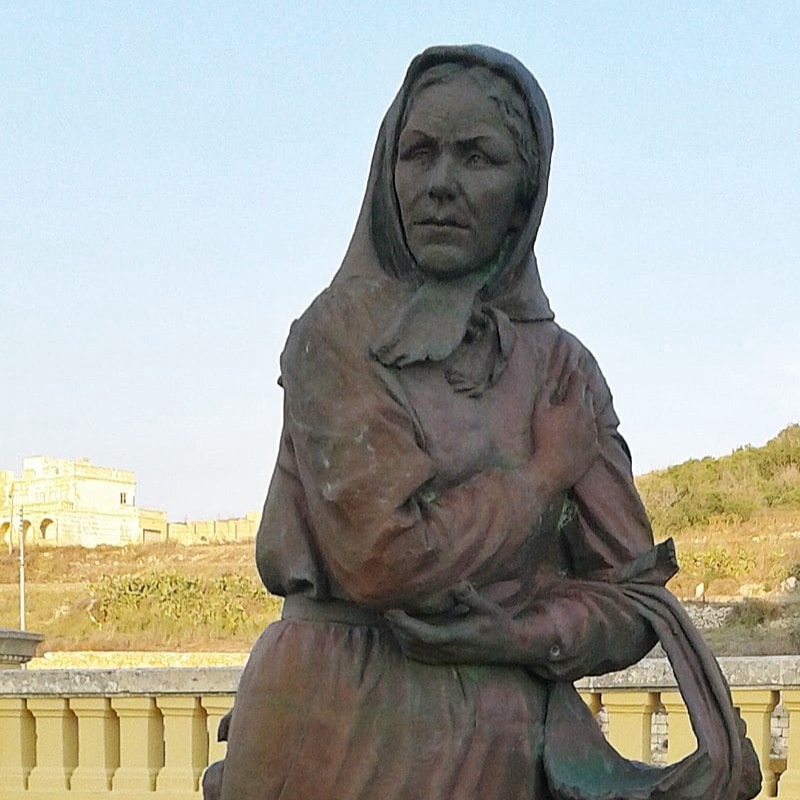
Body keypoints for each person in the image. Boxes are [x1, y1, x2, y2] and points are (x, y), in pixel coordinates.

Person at [212, 45, 760, 800]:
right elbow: (383, 559)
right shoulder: (333, 337)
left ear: (525, 190)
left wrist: (519, 635)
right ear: (386, 172)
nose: (440, 184)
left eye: (477, 158)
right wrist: (540, 479)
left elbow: (632, 598)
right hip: (327, 724)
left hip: (495, 745)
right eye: (418, 153)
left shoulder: (562, 371)